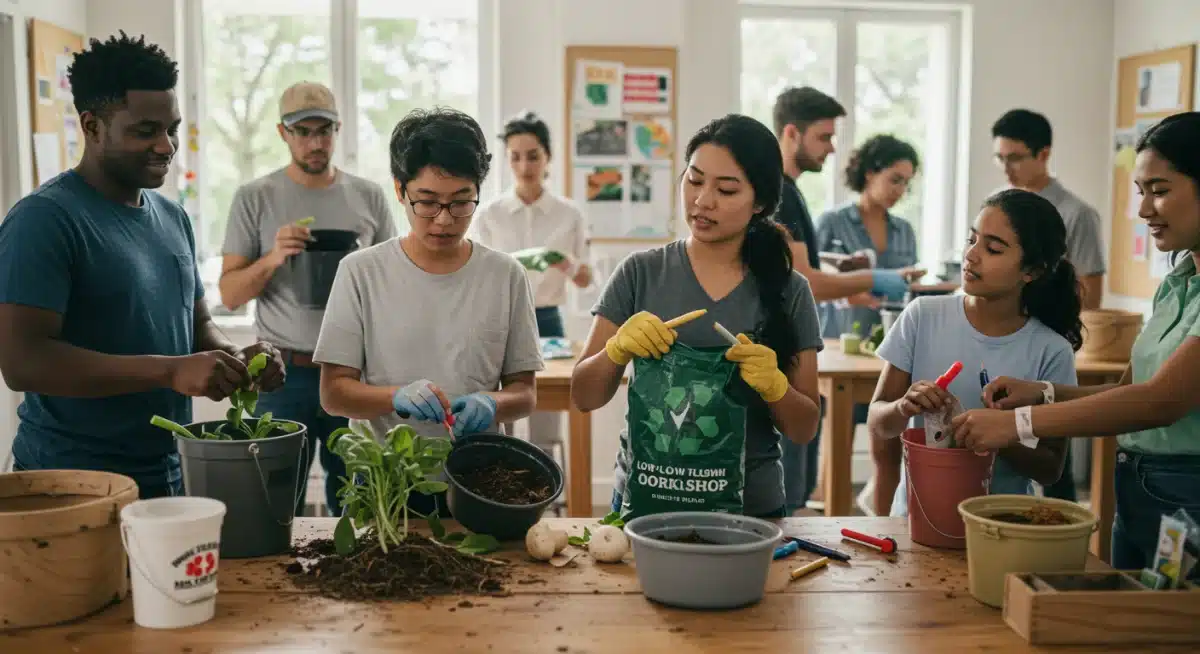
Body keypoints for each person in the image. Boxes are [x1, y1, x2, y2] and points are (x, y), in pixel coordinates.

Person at [0, 32, 285, 497]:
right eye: (145, 131)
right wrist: (170, 371)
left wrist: (235, 362)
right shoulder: (44, 220)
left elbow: (197, 327)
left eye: (171, 128)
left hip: (168, 472)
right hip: (72, 483)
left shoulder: (172, 217)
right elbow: (22, 362)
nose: (167, 145)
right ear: (92, 127)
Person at [953, 112, 1200, 577]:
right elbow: (1129, 389)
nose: (1144, 210)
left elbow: (1160, 402)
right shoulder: (1179, 281)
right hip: (1139, 492)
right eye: (1141, 192)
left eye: (1160, 191)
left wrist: (1016, 425)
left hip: (1189, 497)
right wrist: (1045, 393)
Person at [570, 113, 823, 518]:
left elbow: (804, 428)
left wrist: (777, 388)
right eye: (694, 179)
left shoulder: (790, 290)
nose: (703, 200)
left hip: (749, 512)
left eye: (726, 189)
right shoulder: (640, 273)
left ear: (759, 203)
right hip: (644, 505)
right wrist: (616, 351)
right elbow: (583, 396)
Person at [313, 107, 543, 517]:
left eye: (460, 203)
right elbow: (333, 394)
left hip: (478, 479)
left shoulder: (506, 275)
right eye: (427, 202)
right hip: (384, 482)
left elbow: (524, 394)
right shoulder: (361, 272)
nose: (444, 220)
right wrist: (393, 398)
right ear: (400, 191)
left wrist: (492, 403)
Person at [218, 81, 396, 516]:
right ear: (283, 133)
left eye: (325, 130)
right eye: (303, 132)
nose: (316, 142)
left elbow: (396, 283)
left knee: (359, 502)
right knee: (273, 504)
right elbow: (229, 293)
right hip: (281, 373)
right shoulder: (255, 197)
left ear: (338, 129)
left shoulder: (368, 196)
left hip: (353, 369)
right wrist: (273, 257)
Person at [868, 189, 1082, 518]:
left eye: (993, 248)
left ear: (1032, 271)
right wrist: (902, 406)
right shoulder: (922, 315)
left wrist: (1001, 434)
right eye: (972, 239)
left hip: (999, 525)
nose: (972, 255)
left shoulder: (1051, 350)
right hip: (915, 521)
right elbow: (879, 422)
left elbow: (1051, 468)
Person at [769, 86, 919, 512]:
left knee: (793, 491)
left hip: (797, 354)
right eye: (825, 137)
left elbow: (795, 266)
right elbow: (804, 281)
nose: (833, 148)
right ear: (792, 133)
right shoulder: (781, 193)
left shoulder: (791, 192)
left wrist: (840, 268)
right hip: (784, 356)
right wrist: (876, 277)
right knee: (788, 493)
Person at [992, 108, 1107, 503]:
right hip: (999, 338)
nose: (1007, 168)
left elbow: (1090, 293)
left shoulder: (1078, 214)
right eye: (1001, 158)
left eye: (1016, 157)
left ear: (1044, 154)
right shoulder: (1000, 208)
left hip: (1049, 343)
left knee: (1052, 462)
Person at [472, 111, 591, 455]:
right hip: (498, 322)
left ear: (548, 157)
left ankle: (546, 492)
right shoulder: (490, 214)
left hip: (547, 320)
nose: (525, 166)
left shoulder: (570, 214)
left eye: (533, 155)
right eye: (516, 156)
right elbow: (476, 275)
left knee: (546, 427)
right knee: (495, 419)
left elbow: (585, 280)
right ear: (507, 160)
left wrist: (563, 262)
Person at [815, 134, 921, 515]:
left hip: (889, 348)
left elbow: (908, 292)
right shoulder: (830, 222)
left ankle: (881, 512)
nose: (901, 189)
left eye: (907, 182)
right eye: (895, 178)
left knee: (888, 434)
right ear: (871, 172)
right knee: (835, 435)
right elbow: (812, 280)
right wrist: (854, 289)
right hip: (838, 345)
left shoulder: (905, 230)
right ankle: (831, 510)